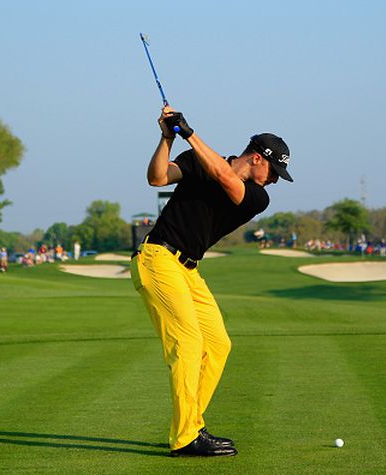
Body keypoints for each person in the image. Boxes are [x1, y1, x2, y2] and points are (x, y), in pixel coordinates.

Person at [130, 106, 293, 457]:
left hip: (188, 269)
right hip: (157, 258)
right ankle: (187, 435)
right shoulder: (195, 159)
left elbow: (223, 176)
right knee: (188, 344)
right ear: (256, 158)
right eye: (275, 170)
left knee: (218, 344)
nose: (276, 179)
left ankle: (190, 425)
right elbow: (157, 178)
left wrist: (188, 132)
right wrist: (167, 138)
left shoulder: (257, 197)